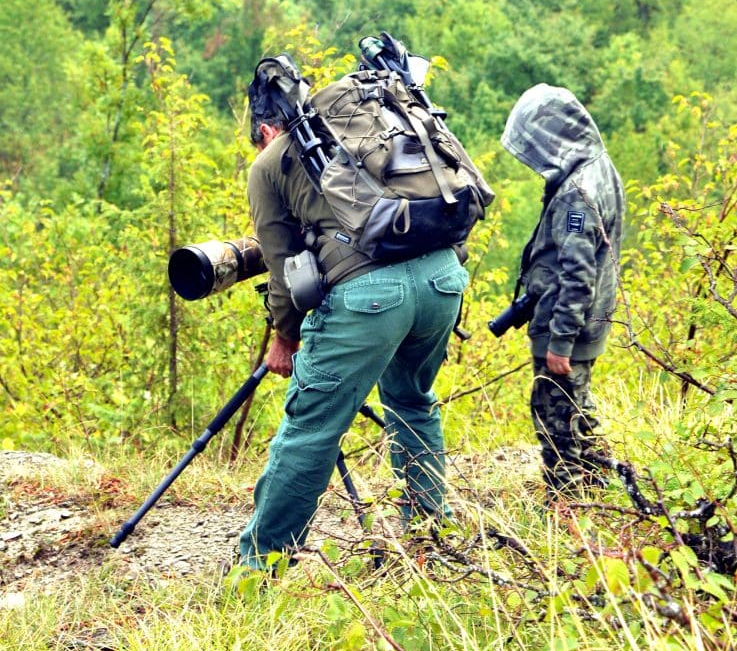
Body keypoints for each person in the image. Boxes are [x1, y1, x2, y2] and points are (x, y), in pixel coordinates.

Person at [237, 56, 470, 571]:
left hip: (371, 298)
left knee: (312, 429)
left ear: (265, 128)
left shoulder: (269, 160)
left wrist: (285, 337)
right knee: (412, 403)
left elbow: (281, 267)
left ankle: (260, 568)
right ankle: (432, 536)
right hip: (442, 278)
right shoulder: (361, 133)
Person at [500, 83, 625, 499]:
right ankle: (603, 487)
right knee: (578, 410)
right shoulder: (598, 166)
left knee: (556, 422)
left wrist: (560, 341)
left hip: (566, 326)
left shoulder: (576, 193)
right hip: (581, 322)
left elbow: (578, 274)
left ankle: (568, 507)